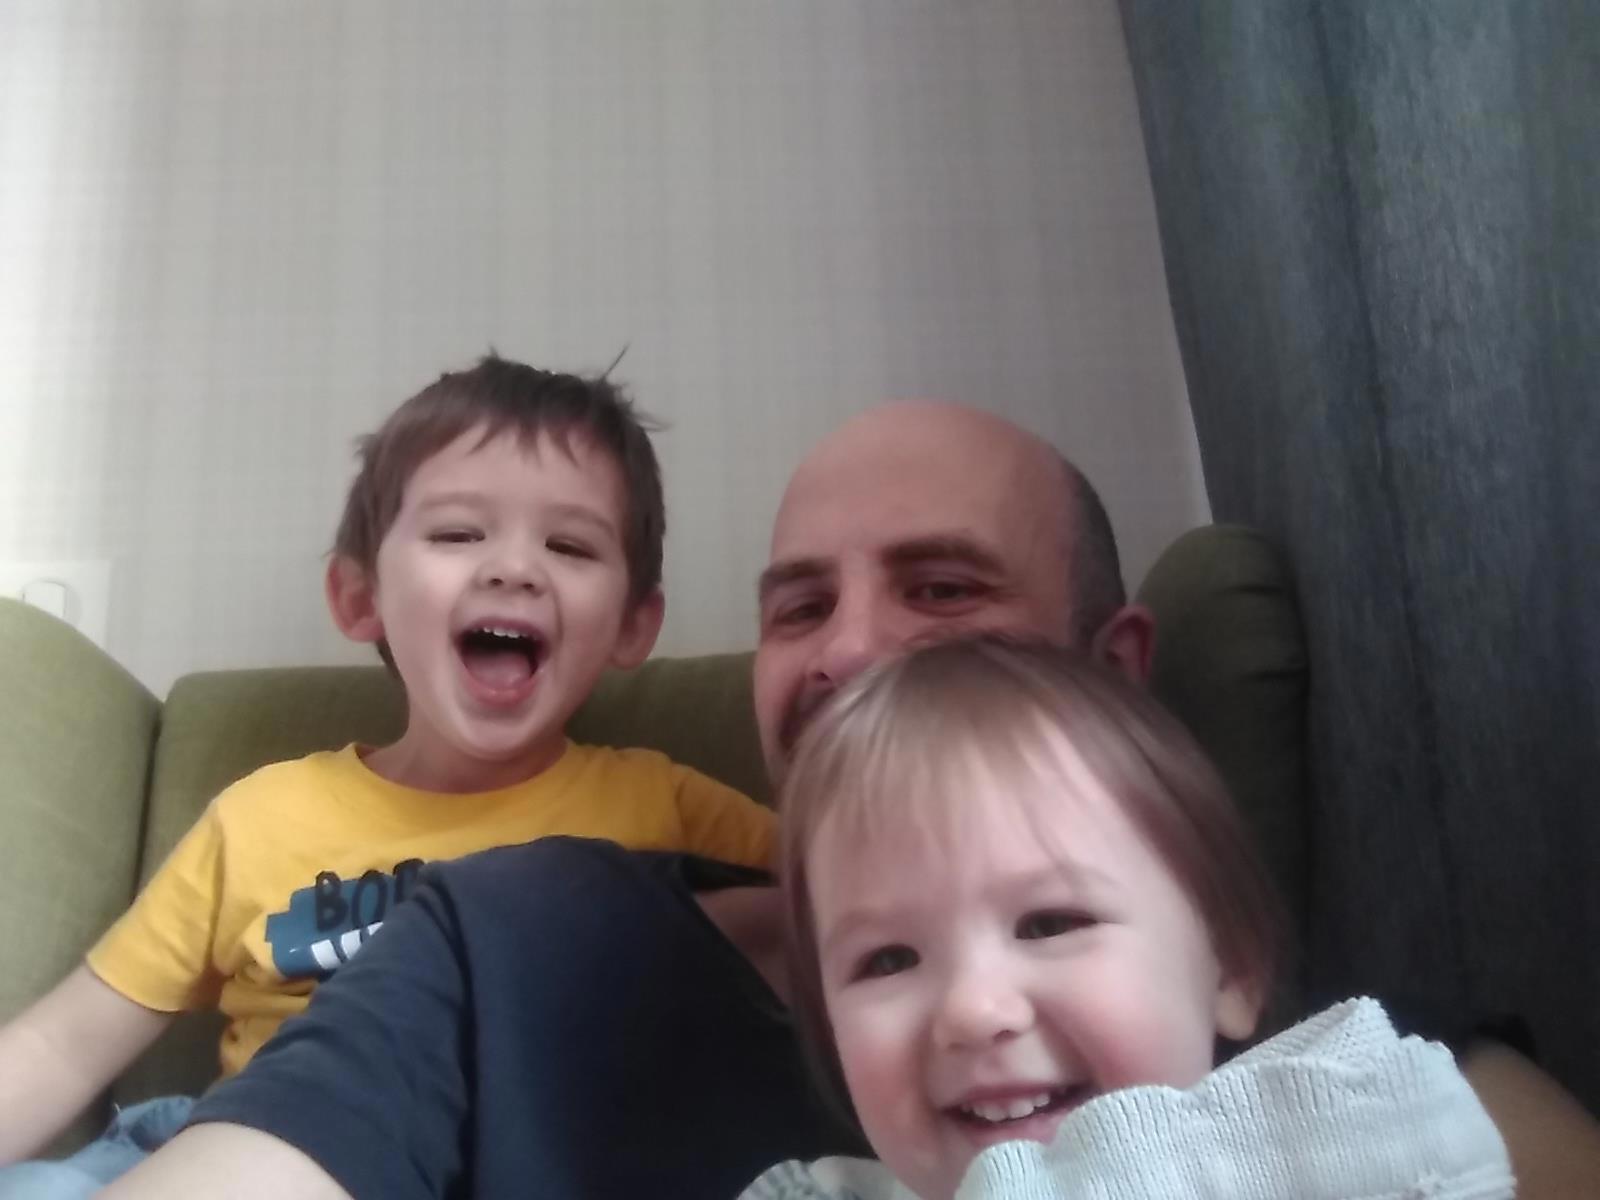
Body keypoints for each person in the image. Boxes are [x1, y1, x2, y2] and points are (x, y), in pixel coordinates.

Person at [104, 402, 1600, 1198]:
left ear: (1116, 667)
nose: (852, 654)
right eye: (800, 606)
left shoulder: (1369, 1096)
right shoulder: (507, 937)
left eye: (943, 589)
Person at [0, 356, 775, 1197]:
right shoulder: (262, 817)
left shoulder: (661, 806)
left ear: (632, 624)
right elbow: (64, 1046)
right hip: (235, 1149)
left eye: (569, 545)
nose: (515, 568)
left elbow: (842, 913)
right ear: (359, 595)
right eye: (458, 534)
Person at [741, 635, 1512, 1200]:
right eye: (886, 960)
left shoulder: (1336, 1145)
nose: (973, 1011)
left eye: (1049, 923)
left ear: (1232, 968)